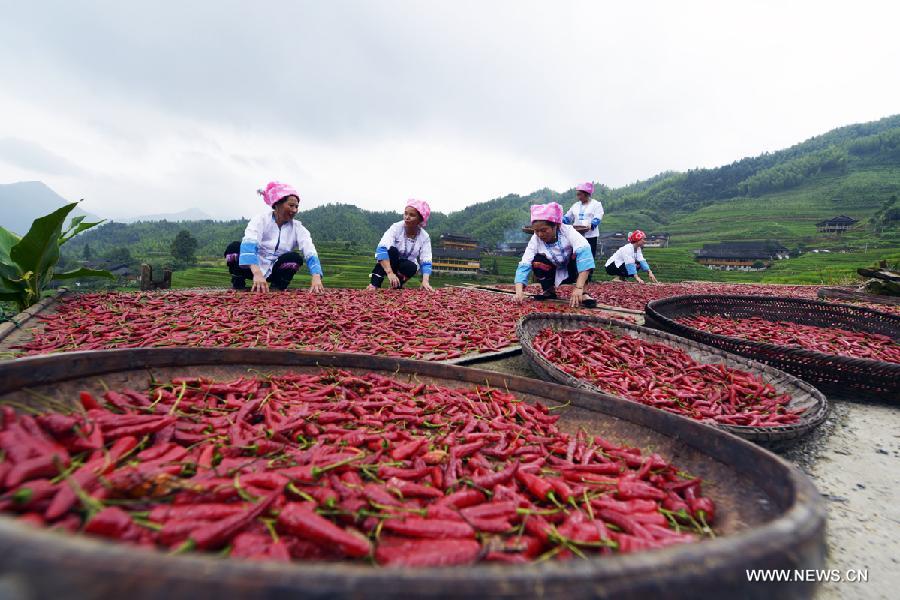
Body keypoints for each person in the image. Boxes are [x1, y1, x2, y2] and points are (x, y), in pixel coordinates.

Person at [224, 181, 325, 293]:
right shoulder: (261, 220)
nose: (294, 210)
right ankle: (238, 282)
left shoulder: (297, 227)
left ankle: (278, 286)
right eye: (291, 206)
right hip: (252, 267)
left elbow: (309, 250)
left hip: (277, 270)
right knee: (234, 248)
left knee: (294, 258)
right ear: (277, 205)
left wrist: (316, 276)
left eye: (296, 207)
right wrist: (257, 273)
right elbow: (249, 243)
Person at [513, 202, 597, 308]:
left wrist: (578, 288)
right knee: (537, 261)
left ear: (556, 226)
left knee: (580, 255)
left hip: (573, 269)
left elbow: (584, 252)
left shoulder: (568, 231)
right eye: (536, 231)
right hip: (552, 270)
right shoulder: (535, 239)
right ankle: (549, 290)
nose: (540, 234)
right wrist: (519, 292)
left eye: (544, 230)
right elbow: (525, 263)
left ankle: (584, 292)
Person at [366, 200, 434, 291]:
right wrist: (390, 273)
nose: (407, 217)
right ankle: (374, 284)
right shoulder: (396, 228)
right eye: (405, 214)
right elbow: (382, 248)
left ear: (420, 219)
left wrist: (425, 281)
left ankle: (396, 285)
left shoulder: (424, 237)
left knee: (412, 266)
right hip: (390, 261)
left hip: (404, 266)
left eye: (412, 215)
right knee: (392, 251)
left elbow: (426, 261)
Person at [562, 182, 605, 270]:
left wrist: (592, 224)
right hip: (576, 234)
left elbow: (598, 216)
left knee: (589, 255)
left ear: (586, 194)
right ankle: (573, 276)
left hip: (590, 235)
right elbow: (568, 217)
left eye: (579, 194)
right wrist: (559, 221)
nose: (578, 197)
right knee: (573, 254)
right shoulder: (575, 205)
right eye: (577, 194)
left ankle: (587, 277)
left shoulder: (596, 204)